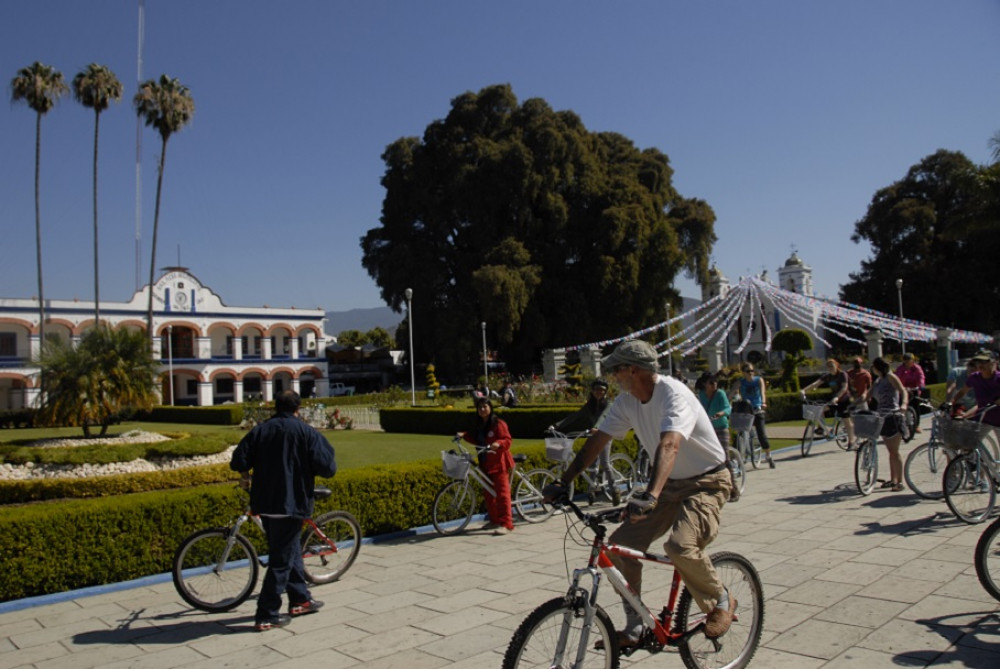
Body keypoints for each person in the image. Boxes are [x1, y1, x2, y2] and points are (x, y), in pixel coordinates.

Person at [546, 340, 735, 647]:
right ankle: (636, 626)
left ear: (632, 370)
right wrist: (563, 481)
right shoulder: (626, 401)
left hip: (707, 481)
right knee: (620, 545)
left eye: (616, 370)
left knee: (679, 546)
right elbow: (597, 442)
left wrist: (650, 495)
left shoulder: (673, 395)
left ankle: (721, 600)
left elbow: (670, 444)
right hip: (669, 484)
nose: (613, 377)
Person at [230, 390, 337, 631]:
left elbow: (239, 459)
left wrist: (245, 475)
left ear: (275, 407)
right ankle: (266, 613)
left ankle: (300, 598)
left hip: (265, 503)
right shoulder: (306, 432)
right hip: (292, 502)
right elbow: (328, 467)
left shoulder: (260, 430)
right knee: (281, 559)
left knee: (288, 551)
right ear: (298, 408)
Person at [551, 379, 617, 501]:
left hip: (605, 434)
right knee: (591, 463)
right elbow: (575, 416)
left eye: (602, 390)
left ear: (605, 392)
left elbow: (603, 416)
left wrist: (596, 427)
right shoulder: (589, 406)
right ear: (592, 391)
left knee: (605, 463)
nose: (599, 392)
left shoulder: (608, 404)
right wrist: (556, 425)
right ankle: (591, 490)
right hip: (594, 435)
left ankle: (614, 490)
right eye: (597, 389)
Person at [459, 396, 515, 535]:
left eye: (485, 406)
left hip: (498, 463)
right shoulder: (480, 425)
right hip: (484, 463)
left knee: (502, 494)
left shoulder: (498, 423)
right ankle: (495, 520)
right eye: (480, 407)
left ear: (490, 407)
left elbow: (507, 440)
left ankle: (506, 524)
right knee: (489, 494)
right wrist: (463, 435)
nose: (483, 410)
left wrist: (499, 443)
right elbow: (477, 439)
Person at [869, 357, 908, 492]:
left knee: (895, 451)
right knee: (890, 451)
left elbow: (903, 391)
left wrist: (904, 405)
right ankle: (893, 480)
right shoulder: (878, 381)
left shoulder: (891, 377)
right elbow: (867, 395)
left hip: (893, 415)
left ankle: (900, 481)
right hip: (882, 417)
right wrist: (854, 404)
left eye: (873, 367)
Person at [801, 359, 854, 447]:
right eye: (828, 366)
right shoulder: (828, 376)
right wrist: (804, 390)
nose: (830, 368)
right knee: (820, 409)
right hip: (833, 400)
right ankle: (821, 428)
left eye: (832, 366)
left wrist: (837, 397)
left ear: (837, 366)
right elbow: (816, 384)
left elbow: (844, 388)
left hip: (844, 400)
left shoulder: (842, 374)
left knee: (846, 421)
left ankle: (851, 441)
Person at [737, 362, 775, 468]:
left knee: (761, 434)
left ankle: (768, 455)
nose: (751, 373)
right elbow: (732, 393)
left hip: (757, 408)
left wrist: (763, 402)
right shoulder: (741, 382)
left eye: (752, 371)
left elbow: (763, 393)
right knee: (741, 433)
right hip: (746, 410)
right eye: (748, 371)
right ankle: (742, 455)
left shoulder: (758, 380)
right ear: (743, 372)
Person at [956, 350, 1000, 427]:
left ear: (994, 362)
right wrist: (951, 403)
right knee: (971, 438)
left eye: (984, 362)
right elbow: (962, 392)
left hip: (998, 418)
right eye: (978, 361)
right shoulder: (974, 377)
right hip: (983, 418)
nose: (980, 365)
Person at [696, 372, 732, 449]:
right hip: (708, 428)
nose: (714, 384)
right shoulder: (701, 395)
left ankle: (728, 460)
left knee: (724, 453)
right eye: (711, 382)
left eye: (716, 381)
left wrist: (720, 413)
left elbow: (727, 408)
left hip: (721, 427)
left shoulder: (720, 393)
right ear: (704, 384)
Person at [896, 353, 926, 432]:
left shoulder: (917, 368)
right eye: (906, 361)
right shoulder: (900, 369)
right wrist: (900, 388)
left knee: (916, 408)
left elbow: (921, 376)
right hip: (903, 390)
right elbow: (897, 378)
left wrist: (921, 385)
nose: (908, 363)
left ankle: (916, 426)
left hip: (914, 389)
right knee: (902, 407)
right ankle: (902, 425)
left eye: (910, 361)